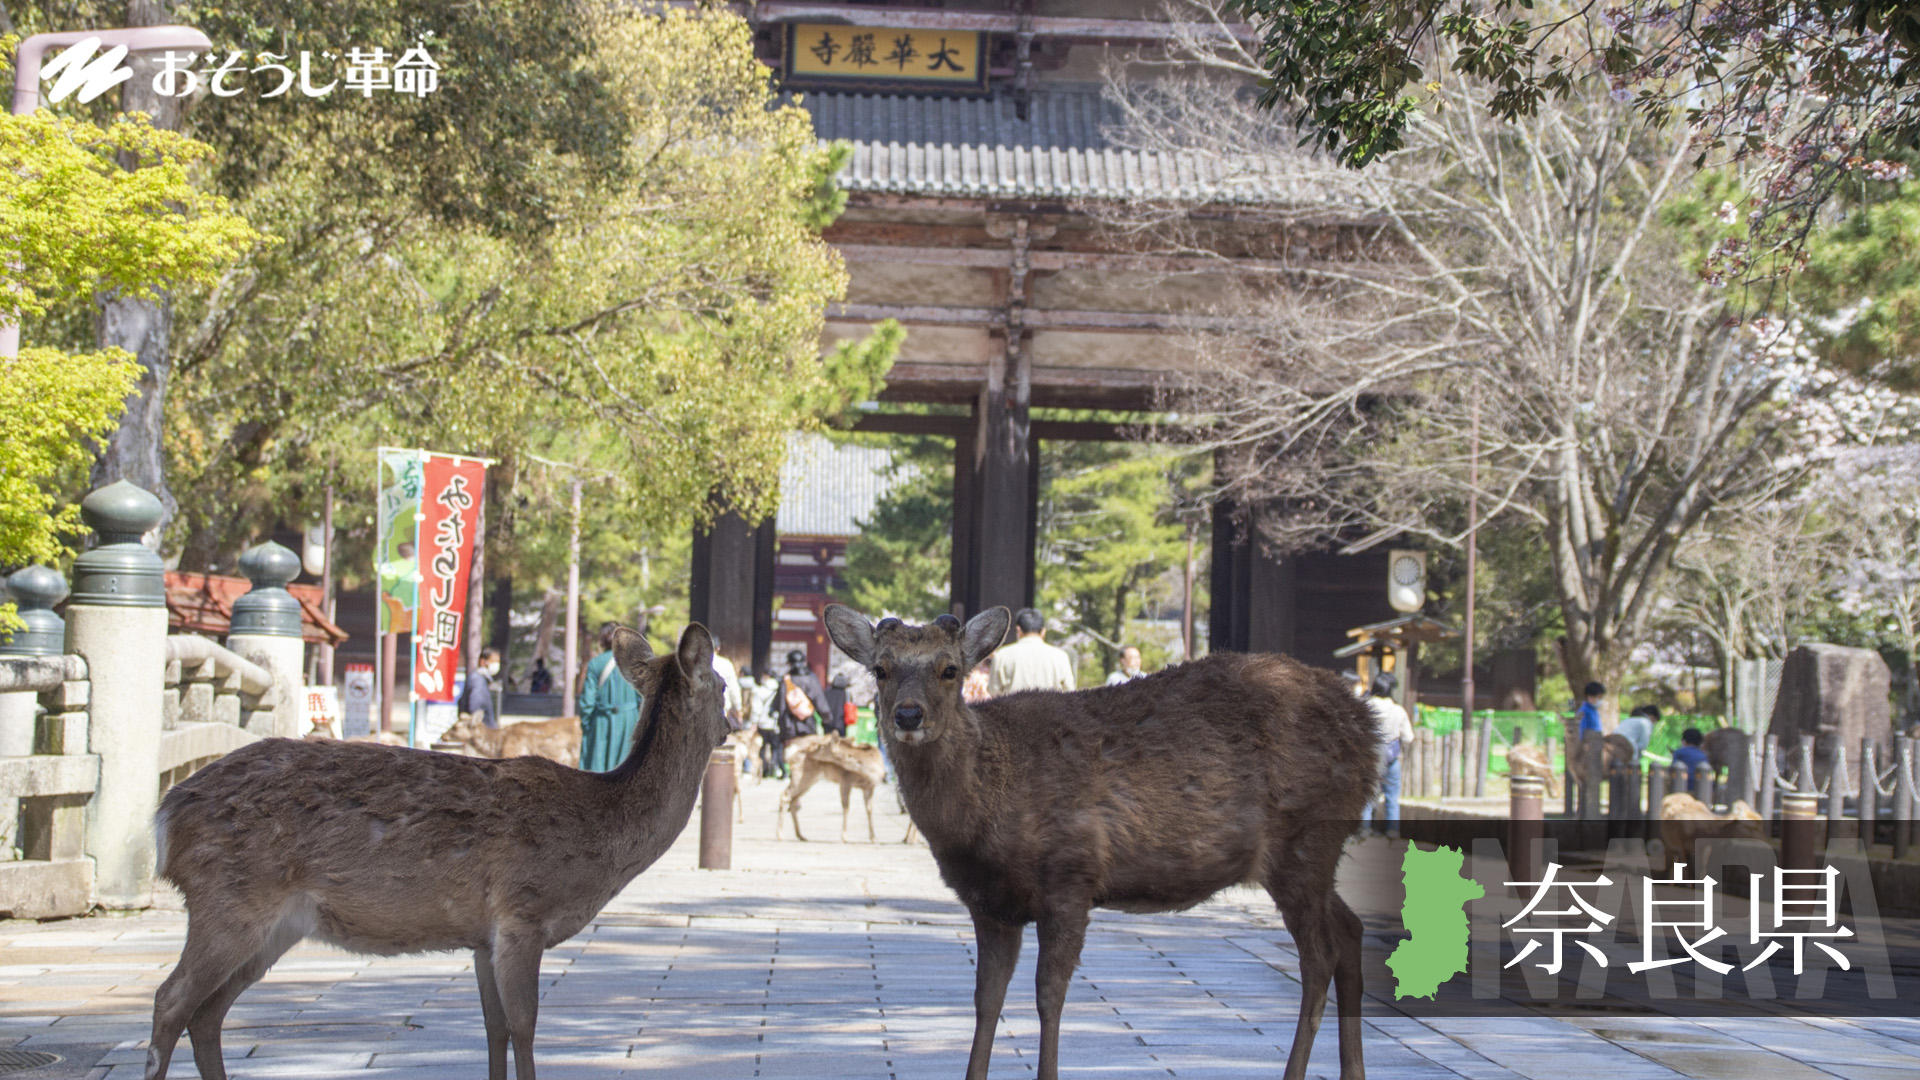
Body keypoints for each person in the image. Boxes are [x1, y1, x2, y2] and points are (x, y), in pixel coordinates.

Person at [578, 623, 643, 772]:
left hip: (602, 722)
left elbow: (587, 702)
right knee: (627, 773)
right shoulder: (634, 663)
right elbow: (642, 697)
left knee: (598, 774)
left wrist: (587, 726)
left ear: (602, 640)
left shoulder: (595, 664)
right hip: (629, 722)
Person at [1368, 671, 1414, 838]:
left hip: (1371, 758)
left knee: (1368, 796)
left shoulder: (1366, 706)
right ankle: (1393, 830)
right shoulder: (1398, 710)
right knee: (1392, 797)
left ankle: (1364, 829)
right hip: (1391, 759)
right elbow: (1408, 737)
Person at [988, 608, 1075, 695]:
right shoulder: (1060, 656)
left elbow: (993, 691)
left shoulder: (1002, 655)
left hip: (1013, 708)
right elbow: (1069, 690)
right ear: (1043, 631)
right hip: (1050, 708)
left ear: (1018, 630)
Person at [775, 650, 831, 778]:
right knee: (806, 755)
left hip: (788, 725)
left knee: (792, 756)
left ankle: (793, 779)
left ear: (789, 663)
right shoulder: (811, 680)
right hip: (807, 724)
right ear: (804, 662)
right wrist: (826, 719)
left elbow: (777, 705)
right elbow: (821, 703)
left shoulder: (786, 680)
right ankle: (801, 782)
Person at [456, 647, 501, 730]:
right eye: (494, 661)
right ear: (483, 662)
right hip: (482, 731)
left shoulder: (481, 679)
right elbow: (476, 707)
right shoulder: (478, 680)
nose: (496, 665)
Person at [1671, 727, 1712, 794]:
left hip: (1680, 787)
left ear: (1684, 741)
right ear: (1700, 743)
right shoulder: (1703, 756)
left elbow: (1673, 770)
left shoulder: (1679, 753)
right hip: (1698, 789)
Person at [823, 672, 851, 737]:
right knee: (840, 744)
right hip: (841, 724)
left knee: (828, 744)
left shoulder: (826, 692)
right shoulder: (847, 694)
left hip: (828, 723)